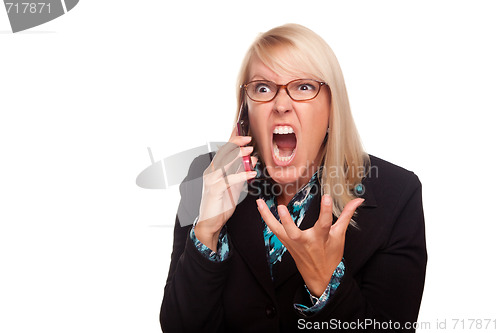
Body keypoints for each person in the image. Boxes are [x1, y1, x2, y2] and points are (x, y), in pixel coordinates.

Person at [160, 23, 427, 332]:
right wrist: (206, 231)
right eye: (262, 88)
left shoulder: (397, 193)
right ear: (245, 110)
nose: (281, 105)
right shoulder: (205, 177)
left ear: (332, 107)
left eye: (303, 87)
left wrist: (326, 283)